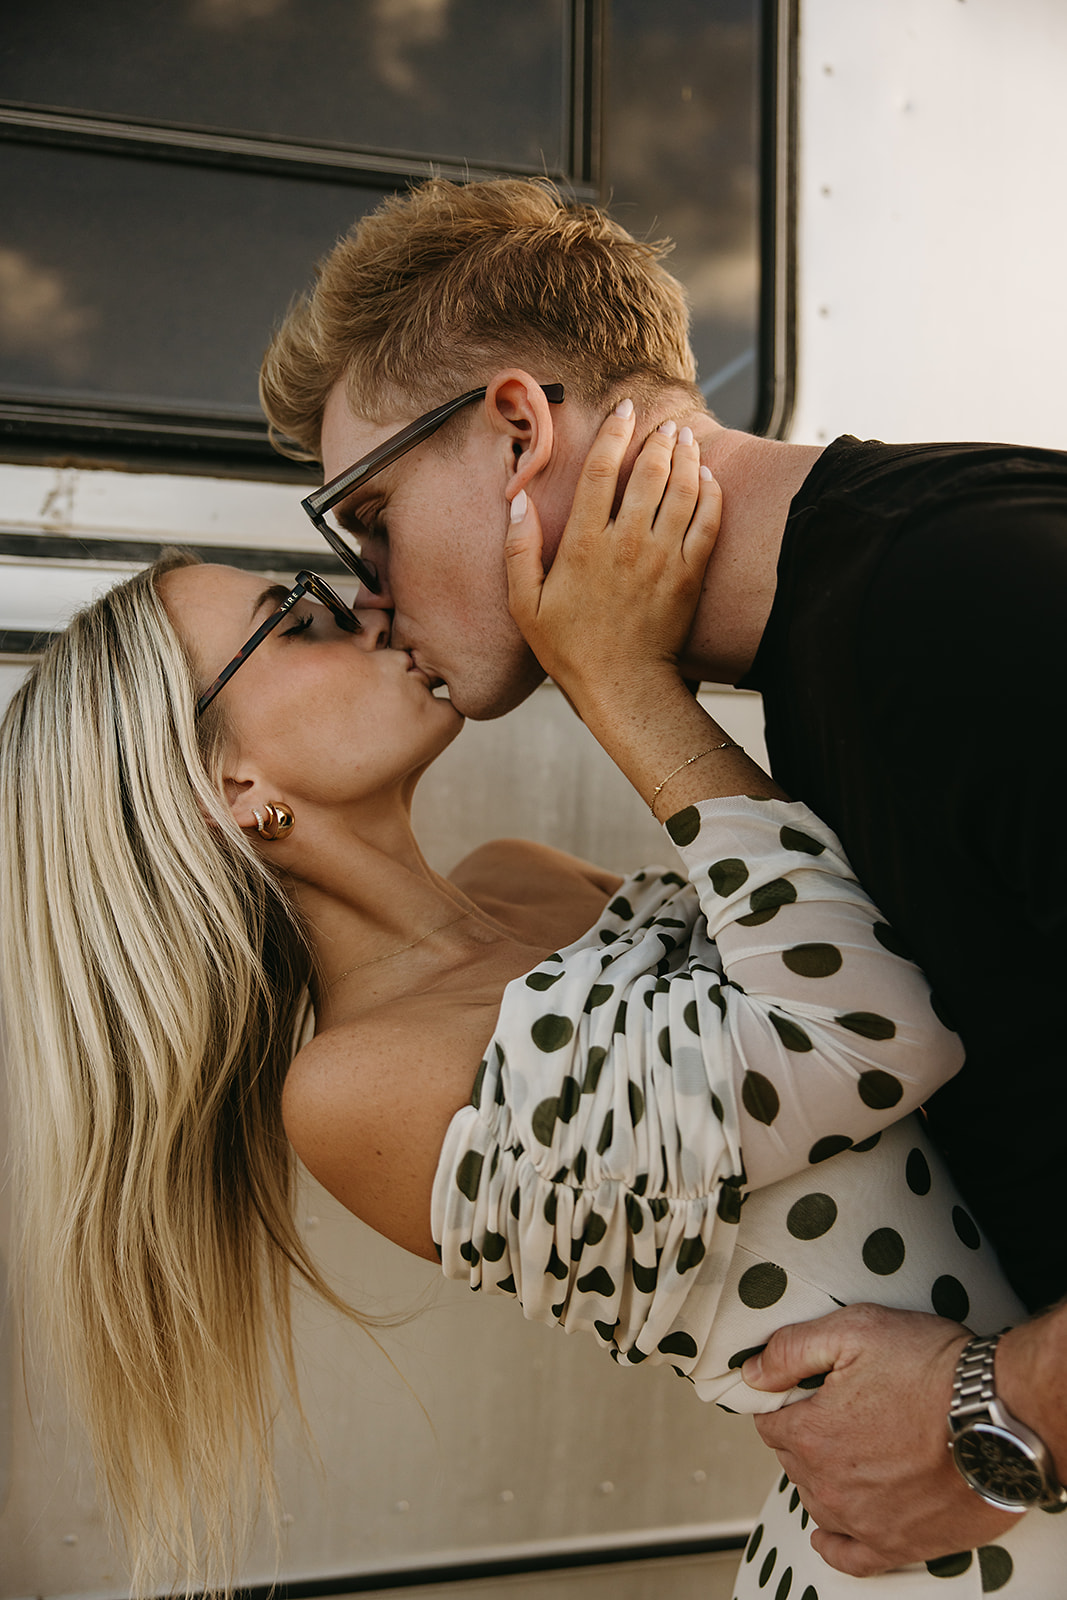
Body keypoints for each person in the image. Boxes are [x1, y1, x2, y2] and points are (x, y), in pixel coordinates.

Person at [4, 422, 1061, 1598]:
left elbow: (835, 928)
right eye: (294, 617)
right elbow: (868, 1036)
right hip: (953, 1560)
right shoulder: (356, 1086)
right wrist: (620, 678)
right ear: (231, 790)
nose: (362, 604)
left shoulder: (526, 876)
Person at [259, 175, 1067, 1578]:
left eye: (368, 515)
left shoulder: (956, 614)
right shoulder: (846, 636)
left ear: (514, 428)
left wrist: (1005, 1418)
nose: (373, 590)